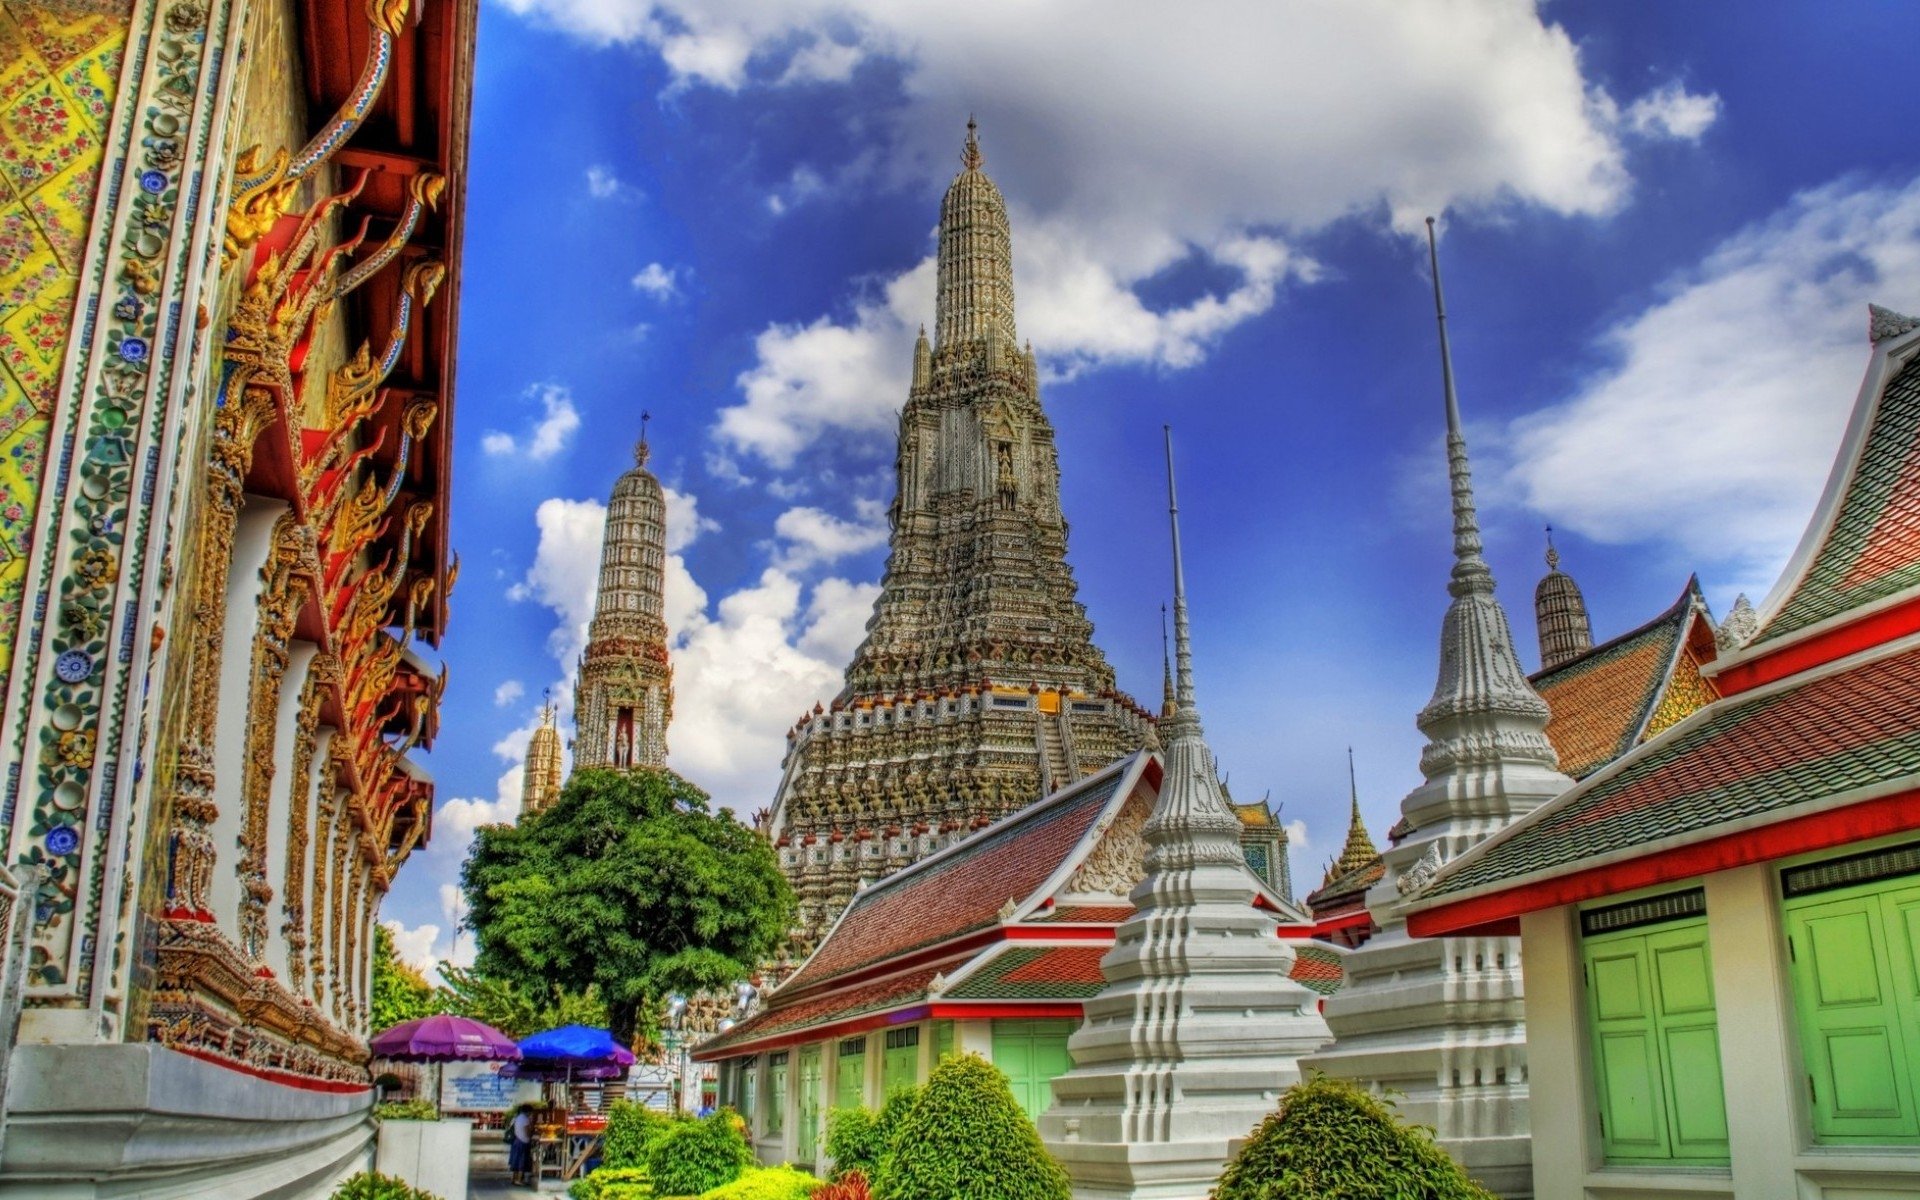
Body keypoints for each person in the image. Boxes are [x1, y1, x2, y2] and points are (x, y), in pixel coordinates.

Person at [508, 1103, 534, 1186]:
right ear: (528, 1111)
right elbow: (527, 1132)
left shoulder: (517, 1118)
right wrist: (531, 1128)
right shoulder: (525, 1119)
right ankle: (519, 1180)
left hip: (516, 1140)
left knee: (515, 1161)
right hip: (523, 1142)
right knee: (521, 1162)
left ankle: (513, 1178)